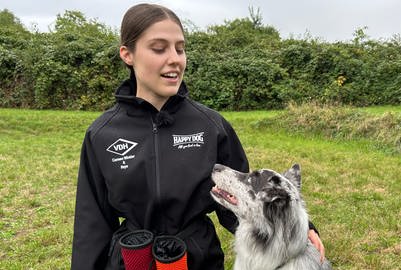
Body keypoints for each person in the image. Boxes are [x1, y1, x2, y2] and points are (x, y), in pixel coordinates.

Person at [71, 3, 326, 270]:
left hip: (198, 259)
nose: (175, 59)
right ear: (127, 54)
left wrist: (299, 225)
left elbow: (241, 200)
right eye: (159, 48)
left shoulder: (211, 126)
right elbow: (92, 225)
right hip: (132, 260)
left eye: (180, 49)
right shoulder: (102, 134)